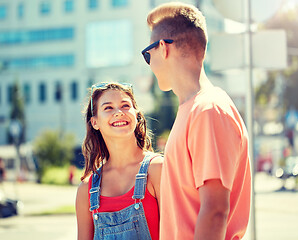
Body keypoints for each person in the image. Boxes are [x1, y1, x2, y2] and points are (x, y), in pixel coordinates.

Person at [142, 2, 251, 240]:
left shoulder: (208, 110)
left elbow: (214, 211)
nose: (148, 63)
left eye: (147, 55)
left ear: (163, 48)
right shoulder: (193, 110)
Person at [75, 82, 163, 240]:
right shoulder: (86, 190)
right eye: (108, 108)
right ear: (94, 122)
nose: (119, 112)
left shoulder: (157, 169)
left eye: (125, 105)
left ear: (136, 114)